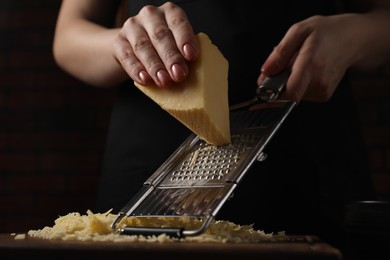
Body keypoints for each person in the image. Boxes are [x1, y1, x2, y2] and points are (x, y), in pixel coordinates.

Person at [53, 0, 390, 254]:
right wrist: (121, 46)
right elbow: (69, 34)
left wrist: (355, 35)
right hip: (153, 169)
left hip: (310, 161)